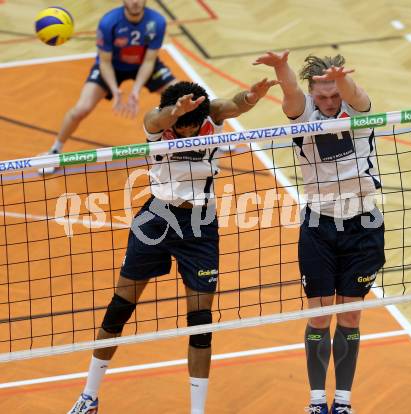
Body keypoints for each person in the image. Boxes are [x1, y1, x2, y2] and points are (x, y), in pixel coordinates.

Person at [67, 77, 279, 414]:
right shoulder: (159, 123)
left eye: (194, 125)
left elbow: (238, 103)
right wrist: (174, 111)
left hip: (199, 226)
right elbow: (156, 119)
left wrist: (253, 95)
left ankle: (197, 411)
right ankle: (89, 396)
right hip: (156, 218)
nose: (190, 131)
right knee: (120, 308)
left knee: (201, 321)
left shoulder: (212, 115)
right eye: (183, 125)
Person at [254, 51, 385, 413]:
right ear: (313, 95)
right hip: (319, 225)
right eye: (322, 96)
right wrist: (281, 68)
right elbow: (293, 93)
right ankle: (316, 402)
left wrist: (342, 80)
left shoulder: (356, 111)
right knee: (319, 315)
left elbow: (356, 93)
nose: (329, 103)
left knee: (350, 316)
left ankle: (342, 401)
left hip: (364, 225)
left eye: (334, 95)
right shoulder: (303, 113)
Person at [40, 0, 177, 174]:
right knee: (80, 109)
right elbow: (104, 62)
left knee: (184, 95)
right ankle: (55, 150)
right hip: (112, 67)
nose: (135, 2)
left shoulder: (157, 21)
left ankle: (210, 141)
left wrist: (135, 90)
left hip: (144, 64)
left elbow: (150, 61)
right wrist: (115, 90)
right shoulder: (109, 22)